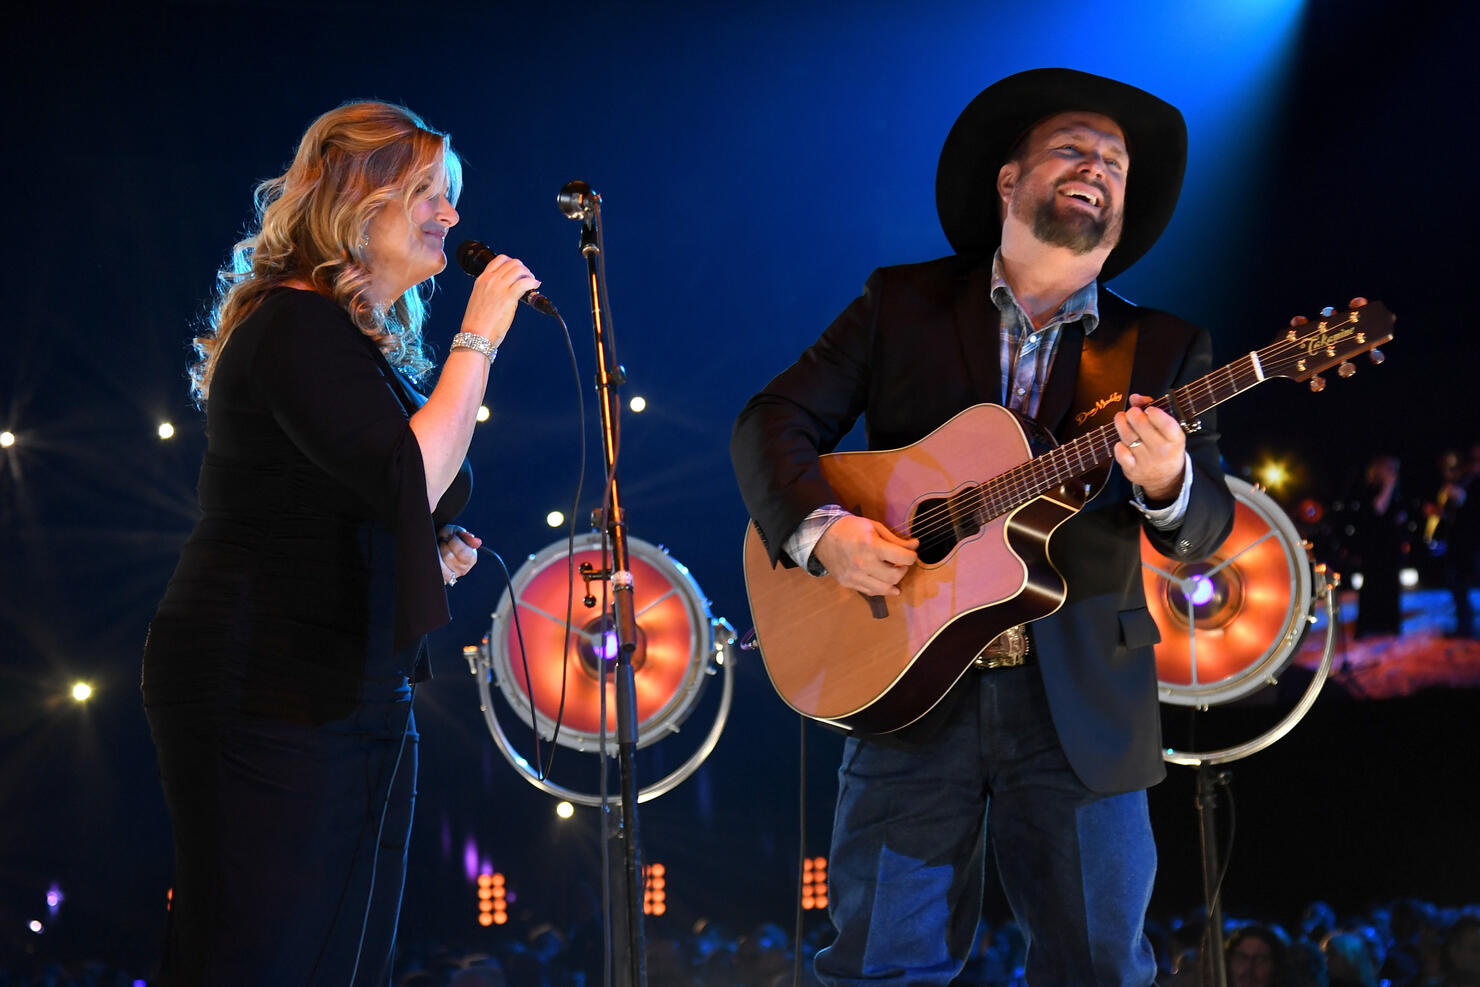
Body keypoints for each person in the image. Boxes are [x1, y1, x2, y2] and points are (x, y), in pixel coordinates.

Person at [731, 68, 1240, 984]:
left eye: (1115, 165)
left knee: (1098, 966)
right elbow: (771, 421)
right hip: (909, 681)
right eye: (1074, 149)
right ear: (1009, 181)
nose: (1098, 170)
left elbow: (1203, 526)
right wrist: (823, 532)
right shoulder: (902, 303)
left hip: (1079, 703)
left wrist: (1168, 481)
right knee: (878, 962)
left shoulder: (1164, 348)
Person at [141, 101, 540, 985]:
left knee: (342, 958)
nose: (452, 214)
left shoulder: (349, 342)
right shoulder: (292, 323)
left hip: (347, 679)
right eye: (430, 192)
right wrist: (478, 337)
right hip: (265, 682)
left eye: (451, 196)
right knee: (260, 956)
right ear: (361, 199)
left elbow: (358, 492)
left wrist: (417, 555)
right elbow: (409, 472)